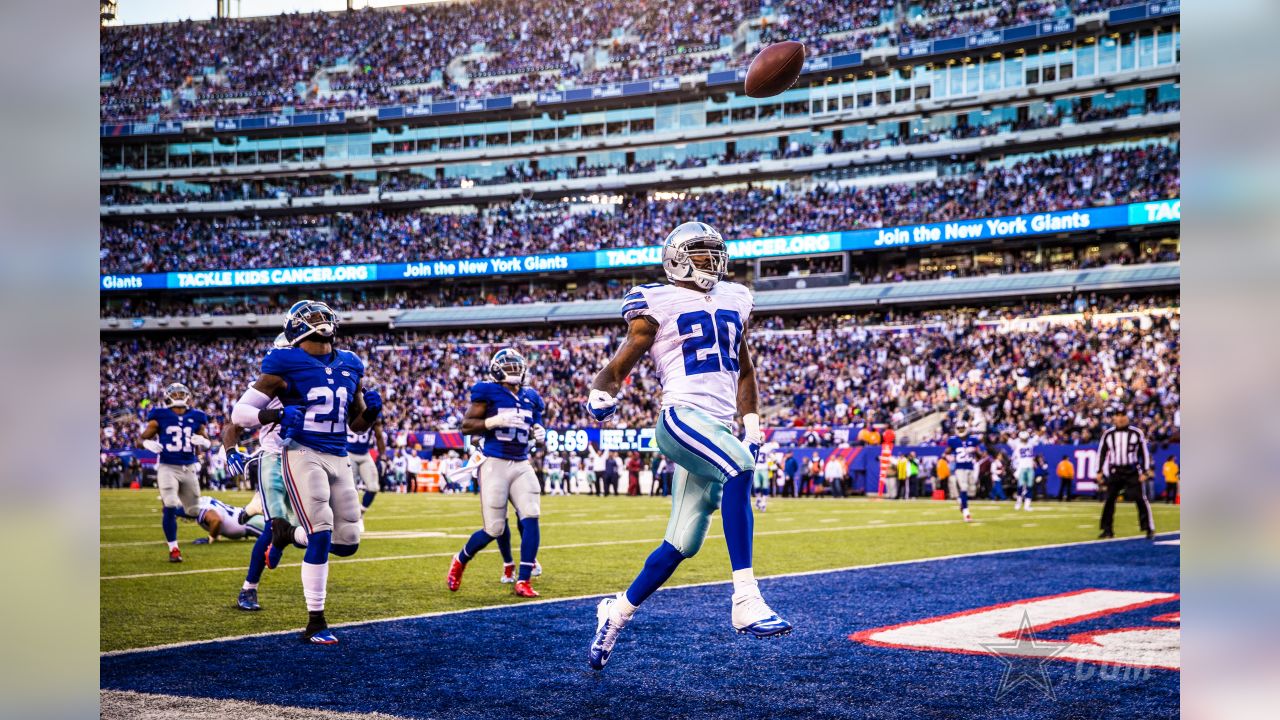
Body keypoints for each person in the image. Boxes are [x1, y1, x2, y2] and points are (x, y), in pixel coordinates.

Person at [586, 221, 791, 671]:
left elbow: (745, 369)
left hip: (718, 428)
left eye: (714, 253)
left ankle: (615, 614)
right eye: (700, 254)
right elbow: (620, 363)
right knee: (740, 467)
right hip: (680, 418)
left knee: (683, 542)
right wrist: (602, 392)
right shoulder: (655, 299)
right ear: (677, 259)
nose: (710, 262)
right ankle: (746, 598)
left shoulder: (735, 298)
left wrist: (752, 424)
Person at [233, 300, 381, 644]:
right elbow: (239, 413)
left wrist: (370, 414)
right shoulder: (283, 361)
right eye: (310, 316)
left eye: (321, 314)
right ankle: (316, 622)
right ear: (295, 327)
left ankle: (288, 535)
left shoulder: (351, 363)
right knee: (322, 529)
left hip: (339, 454)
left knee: (348, 543)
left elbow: (357, 425)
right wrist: (278, 416)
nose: (319, 320)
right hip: (301, 452)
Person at [445, 348, 546, 599]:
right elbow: (467, 426)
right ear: (496, 370)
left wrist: (539, 429)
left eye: (516, 366)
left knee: (531, 515)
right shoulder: (487, 391)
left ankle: (523, 580)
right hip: (495, 463)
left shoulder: (531, 397)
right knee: (494, 528)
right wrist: (492, 422)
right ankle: (460, 559)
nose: (513, 371)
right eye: (508, 366)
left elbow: (536, 421)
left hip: (521, 462)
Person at [139, 382, 211, 563]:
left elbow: (208, 442)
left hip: (189, 467)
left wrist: (202, 442)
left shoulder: (197, 416)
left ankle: (174, 514)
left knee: (194, 511)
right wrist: (147, 444)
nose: (178, 397)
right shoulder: (159, 415)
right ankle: (174, 549)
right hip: (167, 466)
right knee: (170, 503)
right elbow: (143, 438)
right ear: (168, 396)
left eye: (181, 393)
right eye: (175, 394)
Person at [1097, 407, 1155, 540]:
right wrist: (1099, 470)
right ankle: (1107, 530)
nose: (1120, 418)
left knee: (1140, 498)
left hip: (1132, 471)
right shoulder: (1108, 434)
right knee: (1109, 500)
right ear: (1113, 418)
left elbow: (1143, 453)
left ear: (1127, 417)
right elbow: (1102, 452)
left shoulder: (1136, 433)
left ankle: (1148, 528)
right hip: (1115, 470)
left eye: (1123, 415)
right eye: (1117, 415)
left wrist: (1145, 471)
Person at [347, 414, 386, 527]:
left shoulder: (371, 410)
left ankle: (360, 513)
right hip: (348, 453)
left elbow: (378, 436)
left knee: (373, 487)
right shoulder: (347, 406)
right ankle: (352, 519)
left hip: (365, 454)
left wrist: (383, 457)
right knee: (350, 491)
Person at [947, 421, 981, 522]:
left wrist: (975, 451)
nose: (961, 430)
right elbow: (947, 451)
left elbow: (979, 452)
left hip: (970, 467)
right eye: (959, 428)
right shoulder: (953, 440)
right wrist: (950, 453)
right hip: (960, 467)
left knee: (972, 490)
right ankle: (966, 513)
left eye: (962, 428)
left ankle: (962, 503)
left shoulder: (973, 439)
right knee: (964, 487)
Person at [192, 496, 265, 543]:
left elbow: (216, 520)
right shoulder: (204, 499)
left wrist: (210, 538)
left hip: (248, 523)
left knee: (274, 538)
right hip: (244, 514)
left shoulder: (198, 508)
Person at [1009, 430, 1039, 511]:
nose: (1024, 440)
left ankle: (1027, 504)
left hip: (1030, 466)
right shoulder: (1016, 443)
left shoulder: (1030, 442)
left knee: (1029, 486)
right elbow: (1009, 441)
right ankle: (1018, 502)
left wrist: (1040, 431)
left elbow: (1038, 436)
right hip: (1021, 467)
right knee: (1020, 486)